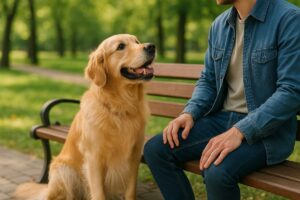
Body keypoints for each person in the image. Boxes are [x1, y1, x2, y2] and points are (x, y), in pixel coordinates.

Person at [143, 0, 300, 199]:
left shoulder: (290, 19)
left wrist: (241, 130)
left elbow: (291, 91)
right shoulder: (219, 25)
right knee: (156, 150)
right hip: (222, 121)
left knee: (217, 171)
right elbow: (208, 80)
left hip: (268, 132)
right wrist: (190, 112)